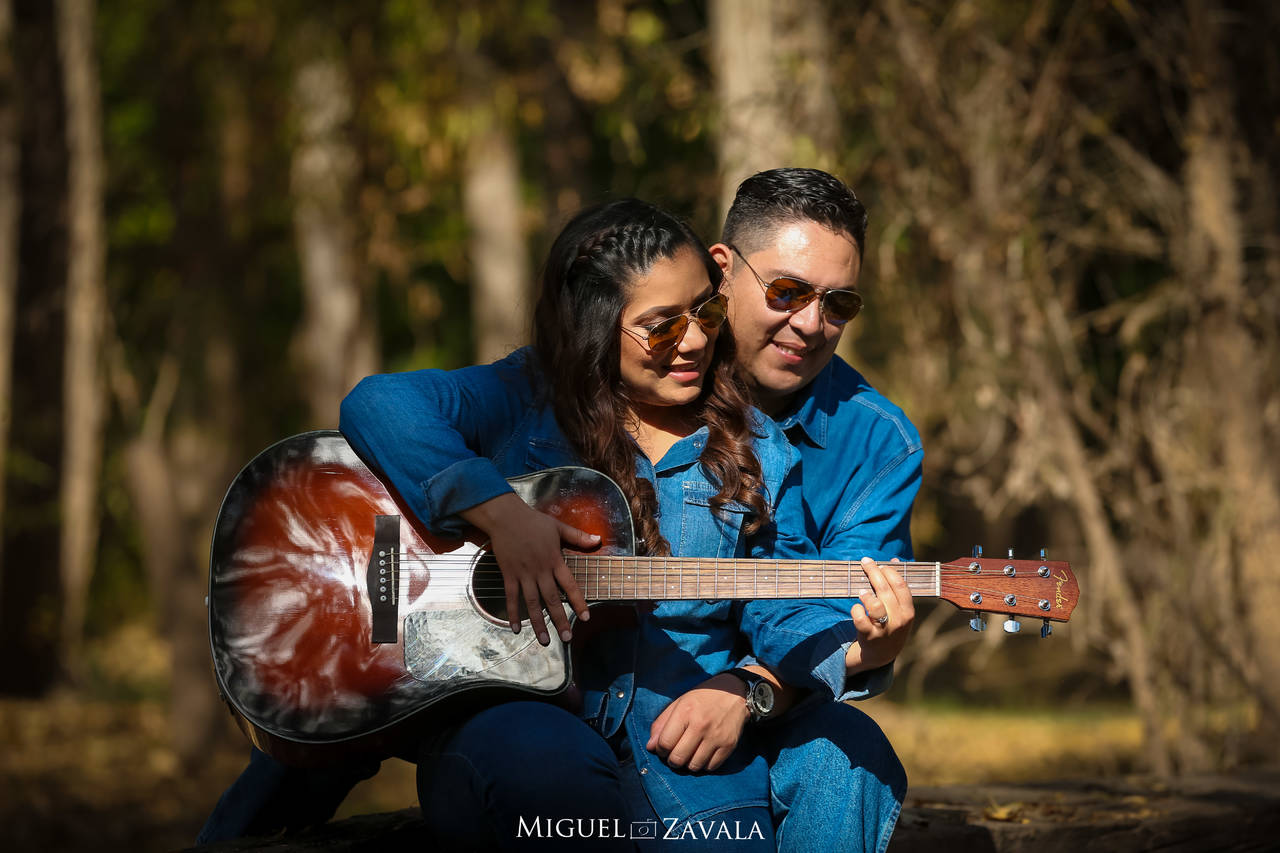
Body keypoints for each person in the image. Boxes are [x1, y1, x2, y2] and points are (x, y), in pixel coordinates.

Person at [200, 197, 904, 851]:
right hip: (523, 734)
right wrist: (503, 517)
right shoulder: (527, 400)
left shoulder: (757, 451)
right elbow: (382, 403)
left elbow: (780, 605)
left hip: (680, 758)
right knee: (549, 777)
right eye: (663, 326)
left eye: (706, 312)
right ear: (594, 325)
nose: (694, 341)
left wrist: (852, 646)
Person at [708, 167, 924, 852]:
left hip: (775, 704)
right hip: (623, 680)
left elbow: (829, 615)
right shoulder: (650, 371)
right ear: (723, 270)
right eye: (787, 291)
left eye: (839, 304)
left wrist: (751, 689)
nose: (810, 324)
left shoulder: (879, 443)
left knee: (848, 753)